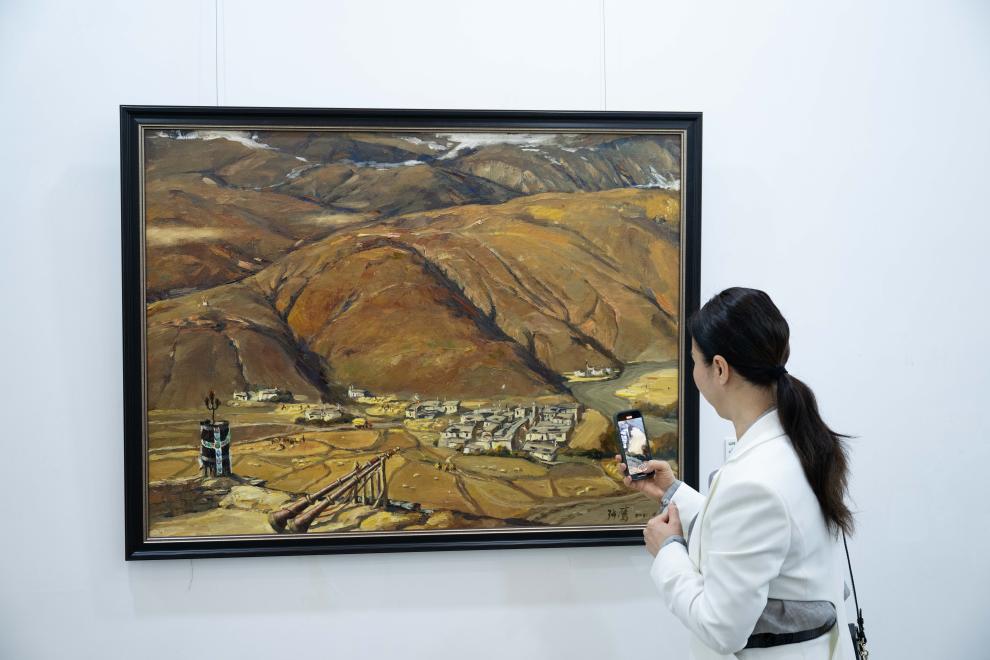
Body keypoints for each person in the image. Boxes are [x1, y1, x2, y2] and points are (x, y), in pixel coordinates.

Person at [616, 288, 856, 659]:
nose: (693, 373)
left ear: (720, 369)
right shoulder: (794, 443)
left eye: (694, 361)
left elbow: (721, 628)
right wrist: (671, 492)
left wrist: (668, 551)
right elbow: (750, 533)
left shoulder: (754, 480)